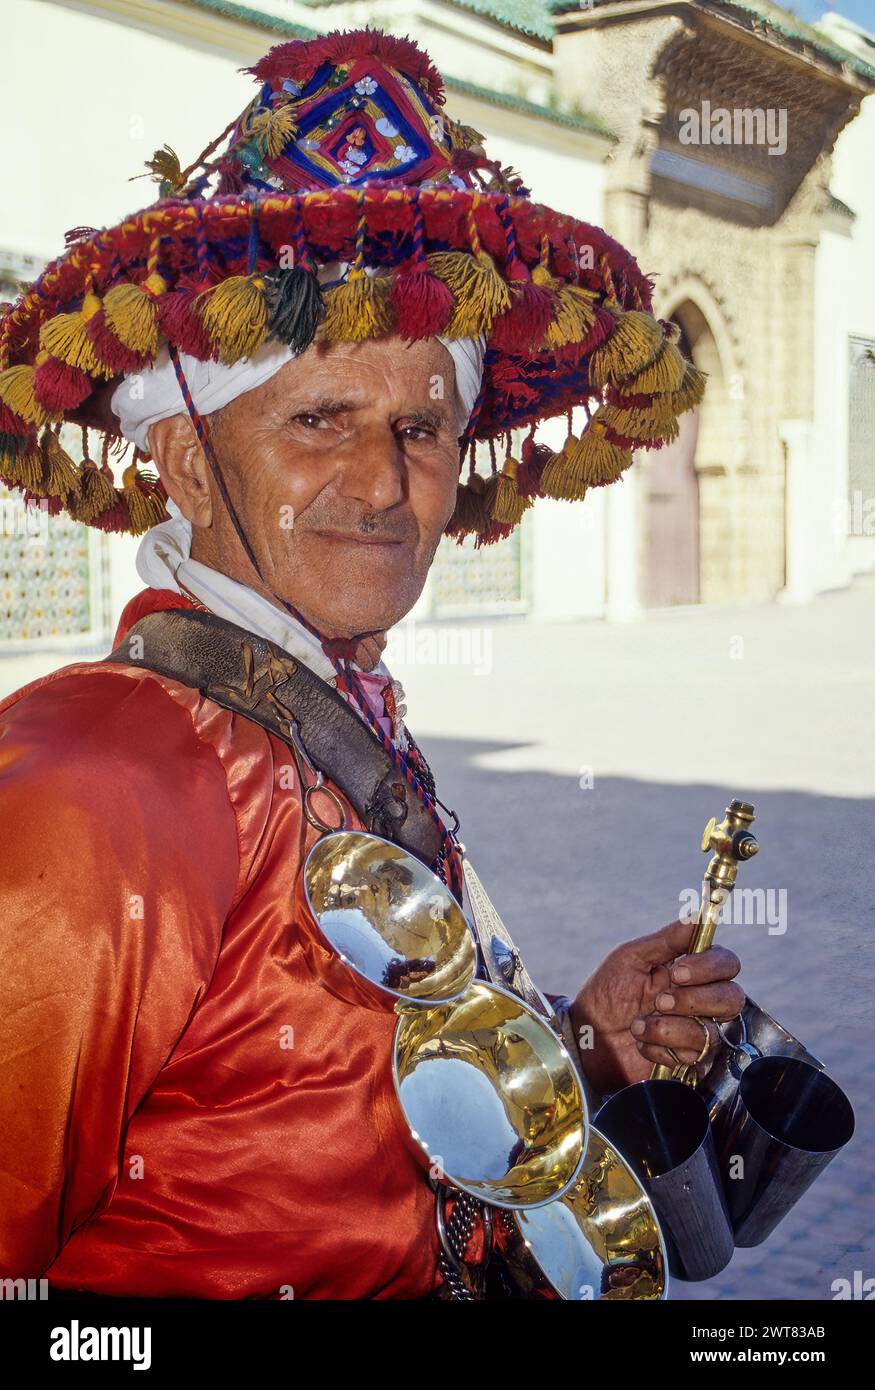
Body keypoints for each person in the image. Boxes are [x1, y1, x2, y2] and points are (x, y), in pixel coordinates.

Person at [0, 27, 742, 1299]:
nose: (383, 483)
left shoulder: (322, 707)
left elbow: (316, 1114)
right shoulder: (99, 775)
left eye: (419, 427)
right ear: (184, 461)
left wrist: (574, 1049)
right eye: (317, 420)